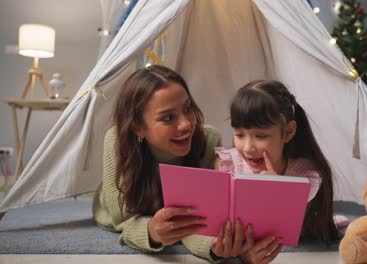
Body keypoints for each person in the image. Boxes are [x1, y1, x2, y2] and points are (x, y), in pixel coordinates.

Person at [184, 80, 342, 263]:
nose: (248, 147)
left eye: (260, 136)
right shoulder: (227, 165)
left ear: (288, 131)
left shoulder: (305, 174)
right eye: (239, 135)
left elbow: (286, 227)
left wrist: (277, 188)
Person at [92, 65, 222, 258]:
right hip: (125, 206)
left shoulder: (209, 139)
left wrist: (216, 246)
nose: (186, 124)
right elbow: (123, 220)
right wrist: (151, 231)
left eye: (188, 109)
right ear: (138, 127)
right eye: (168, 118)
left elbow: (200, 218)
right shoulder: (117, 141)